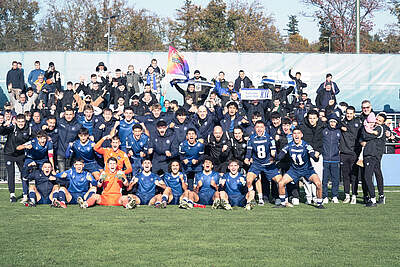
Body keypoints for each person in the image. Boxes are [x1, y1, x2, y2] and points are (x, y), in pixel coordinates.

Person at [275, 127, 325, 209]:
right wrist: (275, 157)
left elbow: (314, 157)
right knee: (281, 183)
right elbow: (280, 156)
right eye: (294, 133)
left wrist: (316, 156)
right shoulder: (289, 146)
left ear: (301, 135)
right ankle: (283, 203)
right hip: (294, 170)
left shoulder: (306, 145)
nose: (296, 135)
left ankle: (319, 203)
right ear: (292, 135)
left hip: (307, 170)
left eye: (298, 133)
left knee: (318, 184)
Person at [244, 120, 282, 206]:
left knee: (280, 181)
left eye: (261, 127)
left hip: (268, 164)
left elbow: (273, 152)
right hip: (256, 164)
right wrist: (247, 158)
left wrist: (274, 157)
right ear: (254, 128)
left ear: (264, 128)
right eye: (257, 127)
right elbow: (249, 152)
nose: (259, 129)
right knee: (249, 180)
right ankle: (255, 198)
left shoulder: (269, 138)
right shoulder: (251, 138)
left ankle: (282, 198)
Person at [0, 114, 32, 202]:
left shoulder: (29, 130)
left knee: (24, 173)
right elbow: (2, 131)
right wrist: (3, 125)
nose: (21, 123)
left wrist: (29, 145)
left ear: (25, 122)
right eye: (19, 122)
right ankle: (12, 194)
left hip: (21, 155)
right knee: (11, 174)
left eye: (23, 122)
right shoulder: (12, 128)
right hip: (9, 154)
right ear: (16, 122)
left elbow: (35, 138)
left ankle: (26, 193)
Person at [20, 130, 54, 203]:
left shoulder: (49, 143)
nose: (43, 140)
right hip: (31, 158)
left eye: (44, 138)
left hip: (42, 159)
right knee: (24, 175)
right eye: (41, 138)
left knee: (46, 173)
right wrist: (26, 146)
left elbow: (50, 156)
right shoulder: (32, 142)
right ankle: (25, 195)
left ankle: (46, 195)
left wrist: (53, 168)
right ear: (37, 138)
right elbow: (18, 147)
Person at [340, 106, 362, 204]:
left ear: (354, 114)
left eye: (350, 113)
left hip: (354, 153)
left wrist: (346, 128)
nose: (348, 115)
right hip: (344, 153)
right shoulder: (342, 122)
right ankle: (347, 195)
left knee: (354, 176)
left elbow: (357, 134)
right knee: (345, 176)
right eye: (347, 113)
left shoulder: (357, 123)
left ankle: (354, 195)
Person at [321, 115, 341, 204]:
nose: (332, 123)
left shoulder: (339, 132)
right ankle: (324, 196)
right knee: (324, 179)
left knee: (335, 179)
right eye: (331, 122)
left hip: (335, 159)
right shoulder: (324, 131)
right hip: (325, 158)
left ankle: (334, 196)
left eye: (334, 122)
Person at [56, 107, 82, 171]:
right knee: (62, 173)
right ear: (64, 115)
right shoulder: (60, 122)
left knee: (70, 174)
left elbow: (81, 136)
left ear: (73, 115)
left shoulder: (78, 125)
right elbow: (49, 122)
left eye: (70, 114)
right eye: (67, 114)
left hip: (71, 154)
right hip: (60, 152)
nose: (68, 116)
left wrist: (75, 143)